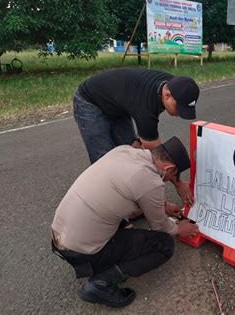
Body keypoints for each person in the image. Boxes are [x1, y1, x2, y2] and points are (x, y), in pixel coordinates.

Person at [51, 136, 199, 308]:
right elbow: (161, 226)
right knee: (164, 243)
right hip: (84, 253)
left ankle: (100, 262)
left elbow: (129, 189)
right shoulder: (151, 183)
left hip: (59, 235)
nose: (171, 178)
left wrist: (162, 205)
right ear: (169, 168)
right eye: (174, 175)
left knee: (125, 213)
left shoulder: (124, 151)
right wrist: (179, 229)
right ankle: (101, 283)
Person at [73, 67, 200, 206]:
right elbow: (160, 158)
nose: (179, 113)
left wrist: (139, 141)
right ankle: (106, 206)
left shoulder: (176, 85)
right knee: (105, 160)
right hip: (90, 101)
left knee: (131, 152)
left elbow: (146, 133)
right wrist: (178, 184)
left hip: (119, 104)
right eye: (179, 108)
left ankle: (130, 193)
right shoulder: (145, 108)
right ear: (167, 95)